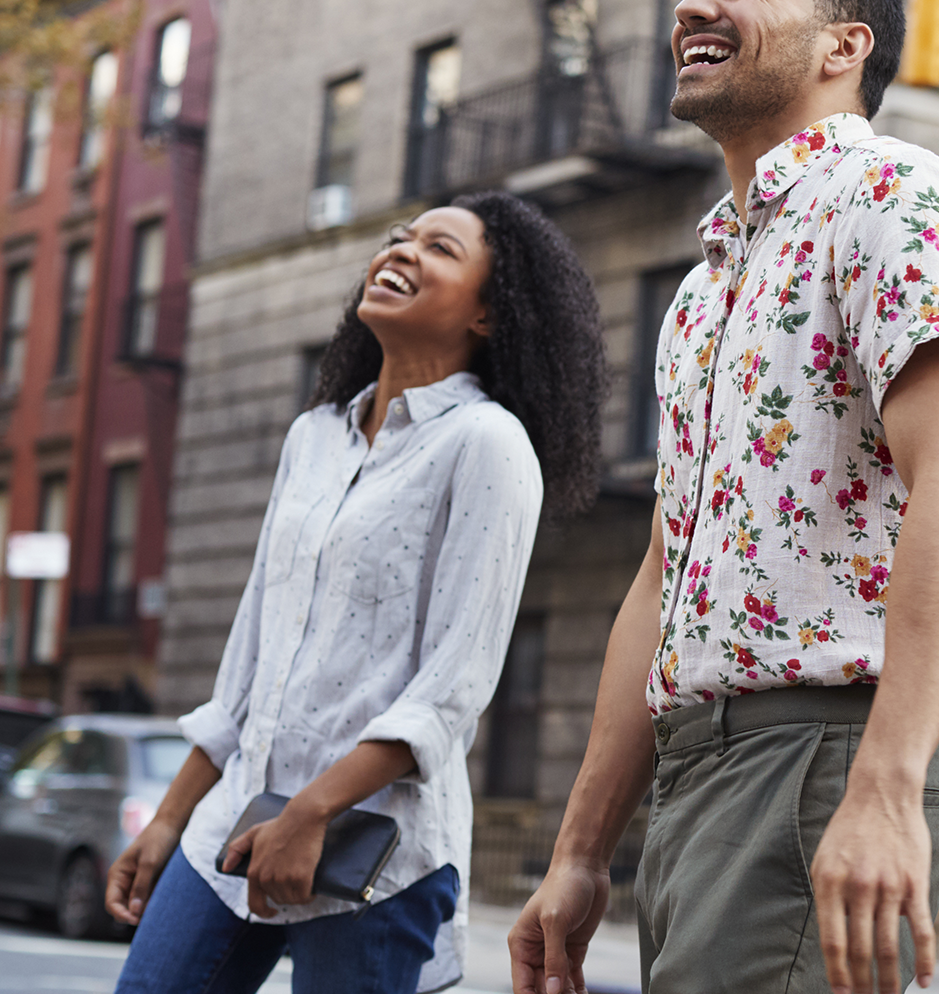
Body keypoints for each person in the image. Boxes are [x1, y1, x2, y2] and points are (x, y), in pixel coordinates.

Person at [507, 0, 939, 994]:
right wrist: (581, 850)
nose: (692, 4)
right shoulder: (701, 291)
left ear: (843, 46)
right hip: (701, 769)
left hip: (825, 754)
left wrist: (883, 784)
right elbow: (663, 574)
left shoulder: (894, 197)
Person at [104, 193, 608, 994]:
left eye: (438, 248)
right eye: (398, 238)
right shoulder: (313, 438)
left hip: (377, 847)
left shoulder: (486, 444)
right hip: (232, 826)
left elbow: (450, 690)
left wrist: (310, 811)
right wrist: (169, 819)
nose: (400, 252)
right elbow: (246, 668)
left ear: (489, 311)